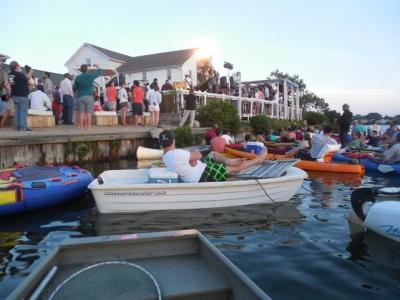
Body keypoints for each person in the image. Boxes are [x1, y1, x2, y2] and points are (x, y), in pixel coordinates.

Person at [159, 130, 266, 183]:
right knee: (235, 168)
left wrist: (191, 159)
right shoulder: (177, 154)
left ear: (161, 145)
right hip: (204, 174)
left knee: (212, 154)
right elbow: (199, 154)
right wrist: (193, 157)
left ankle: (228, 161)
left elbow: (193, 158)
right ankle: (257, 160)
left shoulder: (166, 157)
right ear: (173, 141)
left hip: (201, 168)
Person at [73, 64, 115, 129]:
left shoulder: (77, 77)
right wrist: (98, 67)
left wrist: (79, 90)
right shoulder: (90, 75)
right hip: (89, 96)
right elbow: (99, 72)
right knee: (88, 113)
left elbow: (74, 88)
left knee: (81, 112)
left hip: (81, 96)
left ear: (81, 70)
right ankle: (88, 127)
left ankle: (81, 127)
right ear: (87, 69)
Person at [7, 61, 31, 131]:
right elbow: (28, 81)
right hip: (22, 95)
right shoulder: (20, 74)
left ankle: (17, 126)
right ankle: (23, 127)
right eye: (19, 65)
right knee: (23, 111)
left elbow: (12, 84)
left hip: (14, 95)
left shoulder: (10, 75)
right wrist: (29, 73)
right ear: (16, 66)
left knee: (17, 111)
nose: (20, 66)